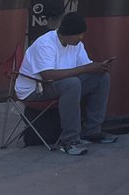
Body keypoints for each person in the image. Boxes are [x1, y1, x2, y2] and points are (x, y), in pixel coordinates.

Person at [15, 12, 117, 155]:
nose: (81, 38)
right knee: (72, 84)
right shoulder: (45, 44)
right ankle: (69, 140)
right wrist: (86, 68)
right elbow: (47, 75)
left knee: (101, 78)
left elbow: (85, 67)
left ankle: (92, 130)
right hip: (35, 89)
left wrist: (98, 67)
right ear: (66, 34)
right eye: (78, 35)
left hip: (58, 85)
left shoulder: (77, 44)